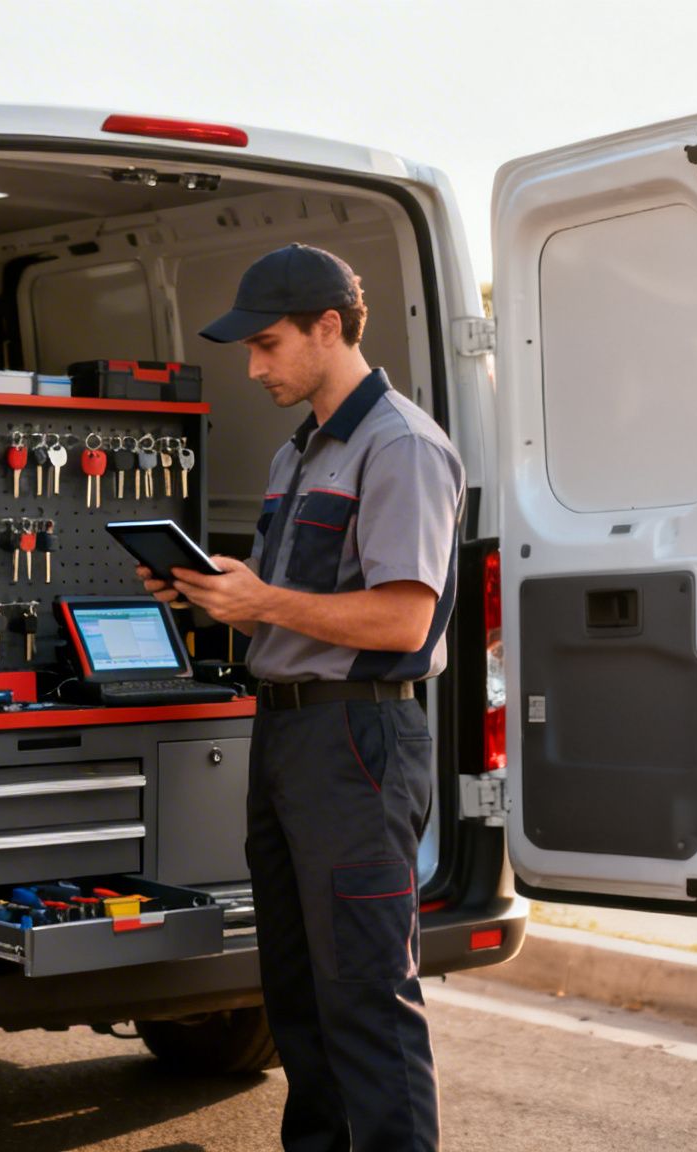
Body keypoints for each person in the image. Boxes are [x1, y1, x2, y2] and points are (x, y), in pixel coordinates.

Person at [139, 243, 463, 1152]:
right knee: (297, 991)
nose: (254, 366)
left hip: (358, 745)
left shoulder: (400, 446)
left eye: (268, 344)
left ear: (331, 328)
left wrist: (263, 600)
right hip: (286, 740)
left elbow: (404, 621)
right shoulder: (298, 455)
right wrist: (215, 597)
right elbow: (297, 618)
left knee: (365, 992)